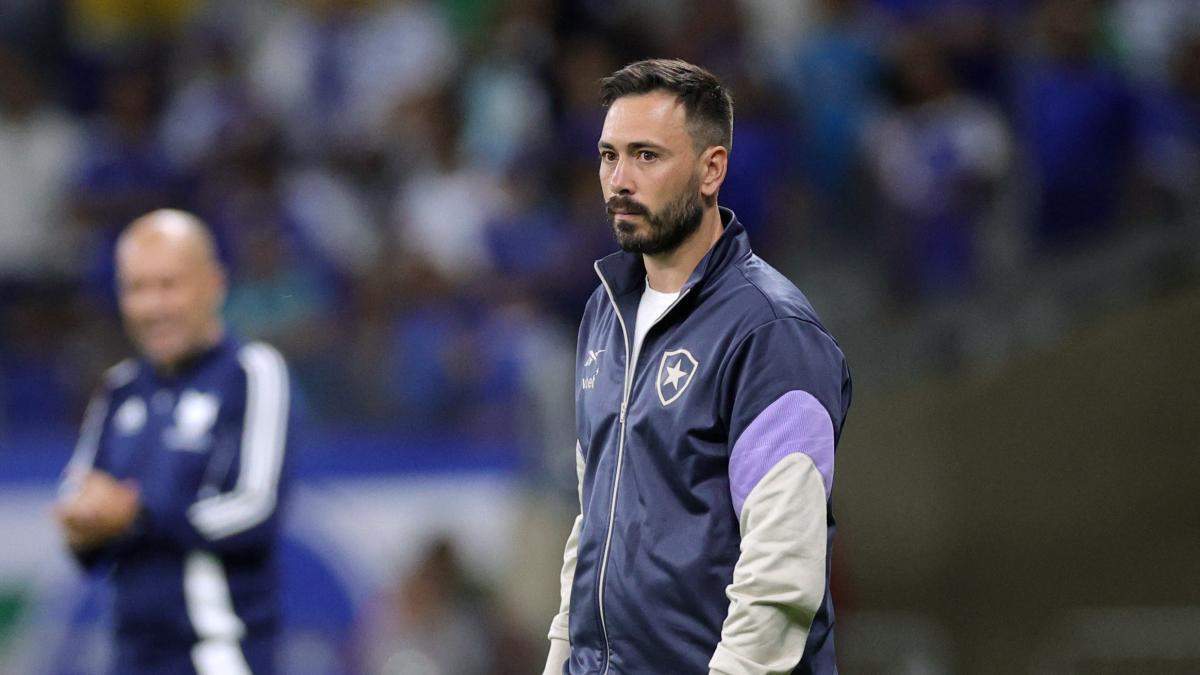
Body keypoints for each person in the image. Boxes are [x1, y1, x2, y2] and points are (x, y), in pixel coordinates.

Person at [543, 59, 852, 674]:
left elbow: (781, 571)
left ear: (712, 169)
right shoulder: (605, 312)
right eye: (609, 156)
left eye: (646, 156)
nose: (618, 180)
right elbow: (594, 525)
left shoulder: (771, 331)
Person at [55, 209, 293, 675]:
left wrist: (135, 517)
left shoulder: (251, 372)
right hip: (131, 655)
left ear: (214, 284)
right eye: (136, 288)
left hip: (219, 652)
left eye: (169, 285)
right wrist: (82, 523)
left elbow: (254, 507)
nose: (152, 306)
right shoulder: (118, 389)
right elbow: (83, 507)